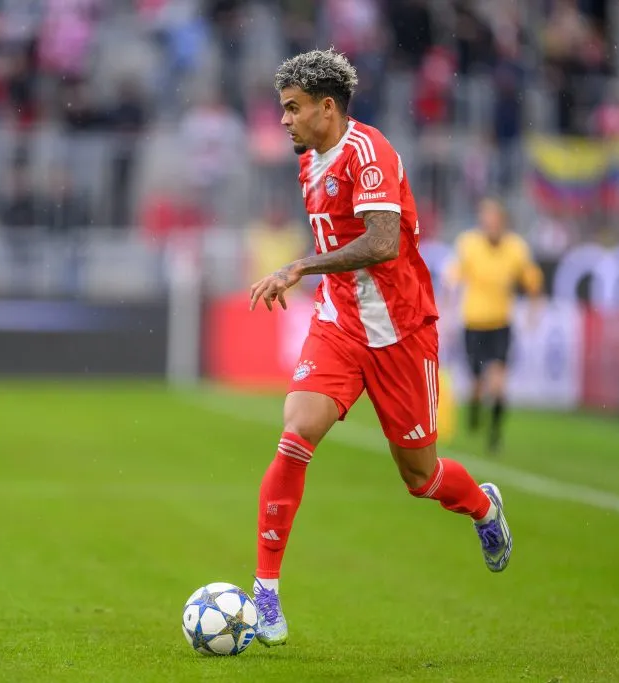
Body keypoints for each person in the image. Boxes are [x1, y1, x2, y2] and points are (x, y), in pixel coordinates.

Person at [247, 49, 512, 648]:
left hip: (402, 332)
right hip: (340, 325)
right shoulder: (309, 164)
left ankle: (483, 507)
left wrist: (299, 266)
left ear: (327, 107)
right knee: (296, 433)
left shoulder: (371, 153)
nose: (284, 120)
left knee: (420, 477)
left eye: (292, 108)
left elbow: (383, 242)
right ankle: (266, 593)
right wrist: (314, 276)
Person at [444, 198, 544, 453]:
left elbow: (532, 280)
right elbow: (453, 278)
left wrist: (534, 310)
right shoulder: (469, 244)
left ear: (502, 222)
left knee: (498, 382)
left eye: (493, 220)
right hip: (473, 323)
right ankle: (475, 411)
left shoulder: (516, 248)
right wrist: (447, 307)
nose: (489, 225)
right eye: (485, 220)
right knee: (477, 384)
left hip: (500, 324)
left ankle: (495, 435)